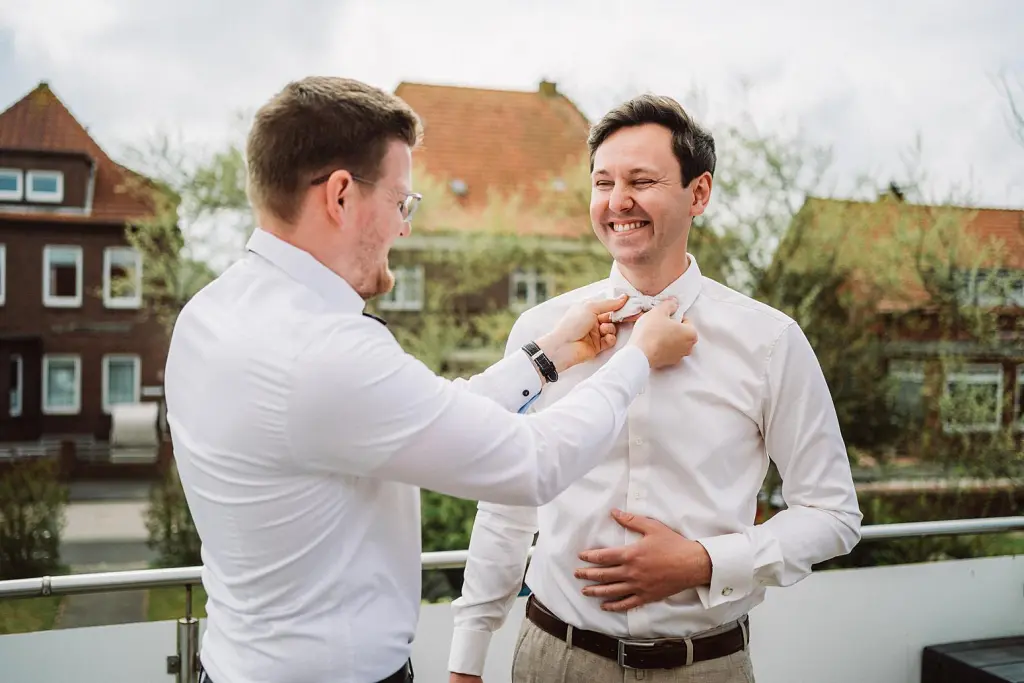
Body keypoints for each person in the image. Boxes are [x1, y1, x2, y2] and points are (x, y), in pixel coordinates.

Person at [162, 77, 701, 683]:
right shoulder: (326, 351)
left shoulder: (210, 312)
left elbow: (431, 414)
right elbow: (533, 464)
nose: (404, 229)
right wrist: (637, 359)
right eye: (401, 203)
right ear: (341, 195)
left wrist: (547, 357)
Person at [447, 94, 863, 683]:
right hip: (550, 659)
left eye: (641, 180)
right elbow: (507, 501)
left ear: (699, 194)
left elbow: (834, 514)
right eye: (603, 182)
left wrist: (704, 562)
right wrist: (467, 658)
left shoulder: (770, 341)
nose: (618, 202)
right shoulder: (544, 333)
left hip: (704, 667)